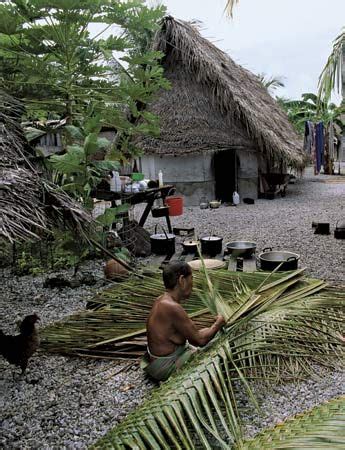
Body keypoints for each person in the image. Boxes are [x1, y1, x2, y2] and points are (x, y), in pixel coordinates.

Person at [141, 261, 226, 381]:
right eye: (191, 278)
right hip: (164, 367)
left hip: (155, 360)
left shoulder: (161, 300)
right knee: (215, 348)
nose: (193, 283)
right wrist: (218, 323)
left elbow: (188, 334)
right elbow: (200, 340)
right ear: (182, 280)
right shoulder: (172, 307)